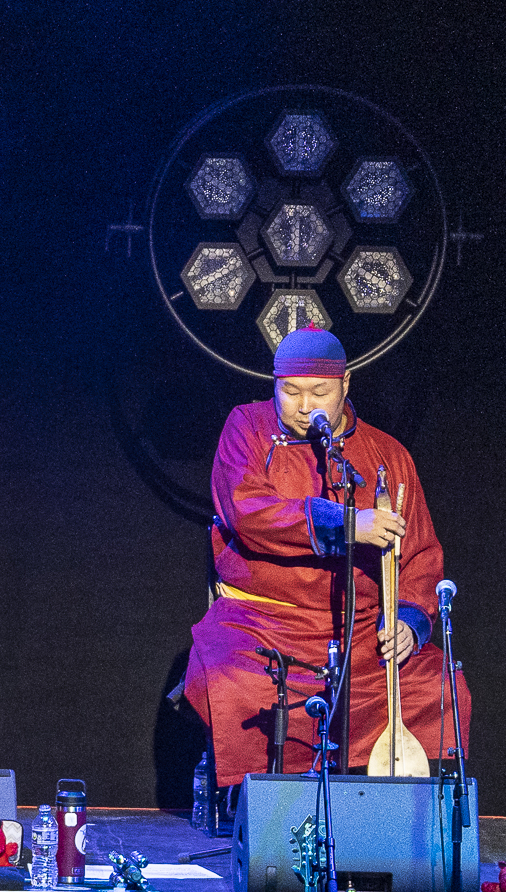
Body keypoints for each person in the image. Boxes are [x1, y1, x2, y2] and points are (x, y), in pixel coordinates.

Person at [181, 327, 469, 787]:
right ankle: (266, 815)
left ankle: (394, 817)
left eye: (319, 392)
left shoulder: (386, 454)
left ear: (345, 385)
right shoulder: (247, 427)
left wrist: (410, 621)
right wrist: (345, 523)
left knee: (433, 684)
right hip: (261, 621)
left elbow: (419, 553)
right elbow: (246, 510)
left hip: (359, 630)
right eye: (290, 391)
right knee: (234, 679)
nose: (304, 405)